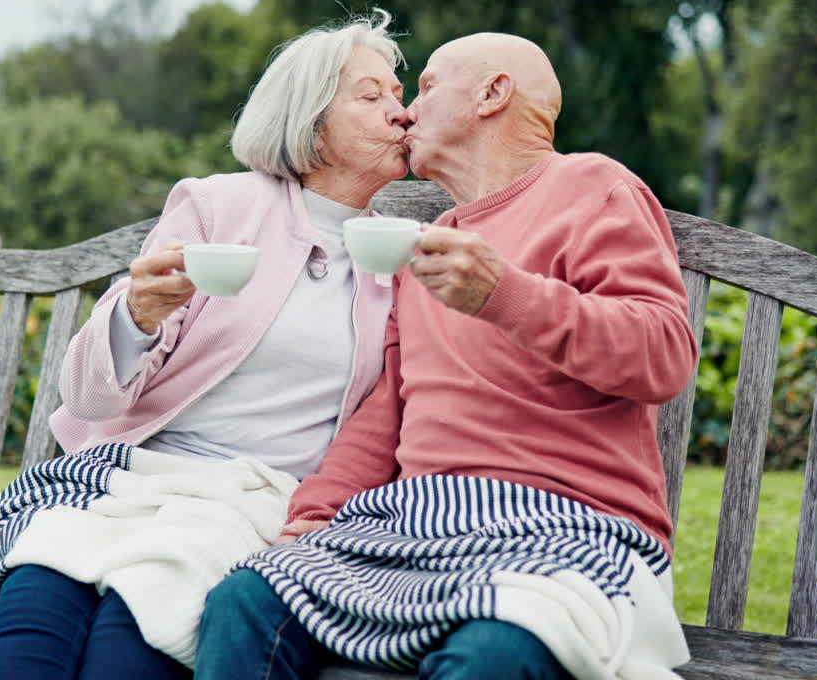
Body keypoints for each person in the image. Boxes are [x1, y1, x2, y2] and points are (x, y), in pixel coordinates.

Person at [195, 33, 698, 679]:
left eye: (427, 87)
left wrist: (506, 294)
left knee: (493, 651)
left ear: (493, 93)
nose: (406, 112)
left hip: (564, 525)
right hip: (415, 525)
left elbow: (662, 355)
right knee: (249, 600)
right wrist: (314, 517)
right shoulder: (431, 248)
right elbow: (389, 410)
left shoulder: (592, 188)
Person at [0, 10, 409, 680]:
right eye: (371, 96)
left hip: (254, 499)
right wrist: (136, 314)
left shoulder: (402, 258)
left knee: (134, 630)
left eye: (400, 98)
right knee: (36, 605)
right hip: (128, 479)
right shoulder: (219, 208)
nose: (400, 114)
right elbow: (87, 397)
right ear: (310, 121)